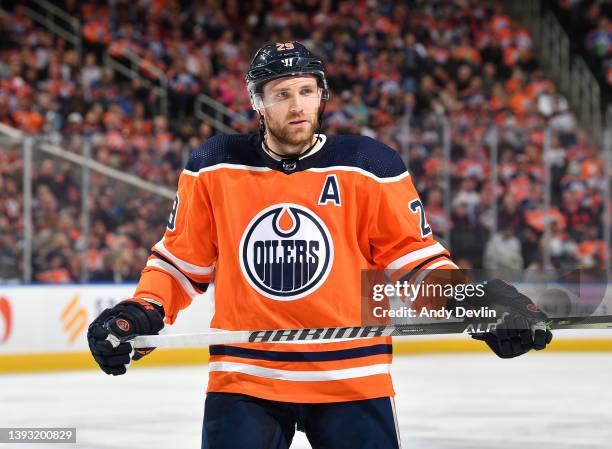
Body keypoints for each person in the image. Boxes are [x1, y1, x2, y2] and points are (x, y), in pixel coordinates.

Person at [87, 42, 553, 449]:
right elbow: (179, 262)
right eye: (282, 94)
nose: (297, 106)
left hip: (352, 377)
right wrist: (142, 311)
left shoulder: (369, 165)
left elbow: (414, 264)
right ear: (259, 103)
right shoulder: (214, 165)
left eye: (307, 91)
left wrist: (478, 303)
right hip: (247, 377)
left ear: (321, 96)